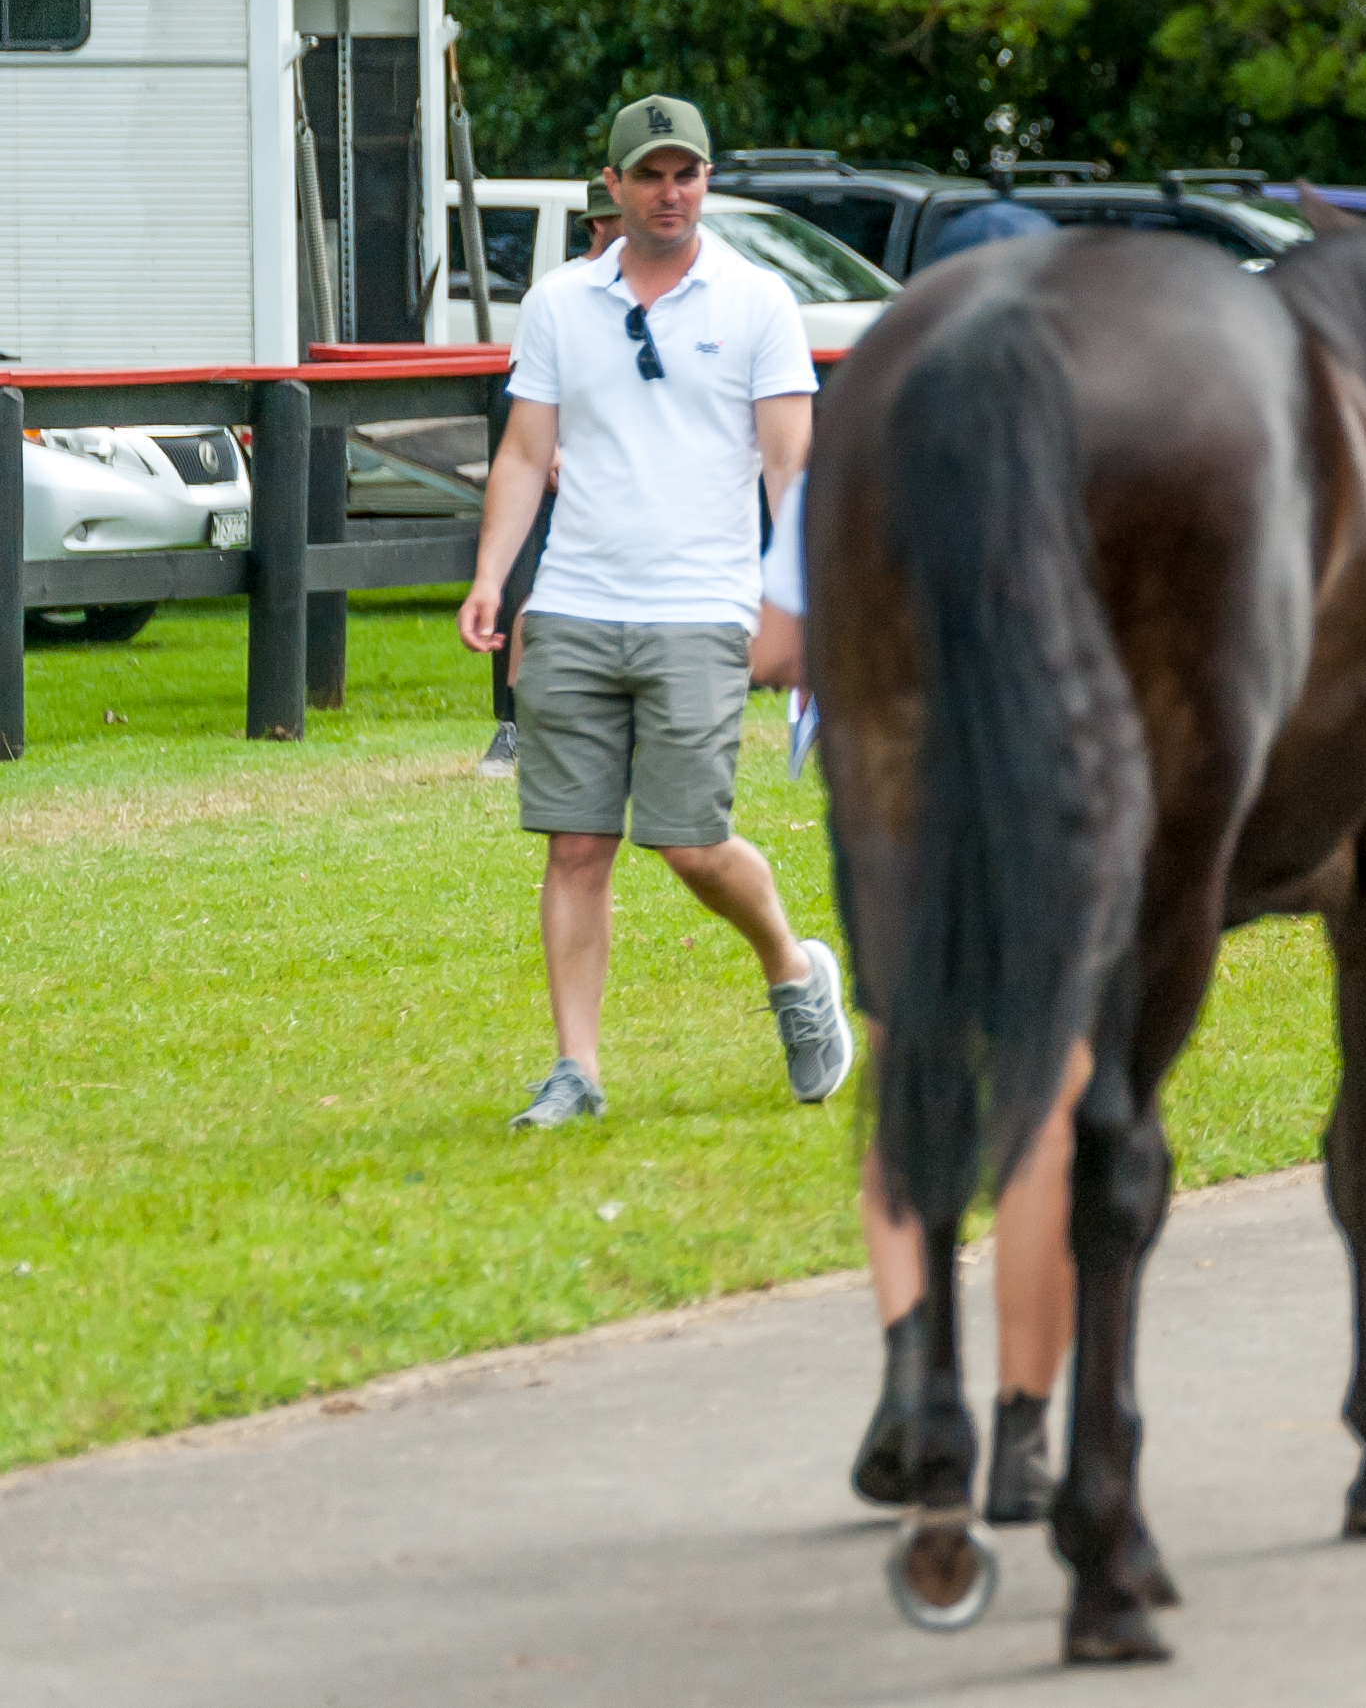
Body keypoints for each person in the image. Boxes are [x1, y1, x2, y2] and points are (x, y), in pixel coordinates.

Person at [748, 214, 1073, 1519]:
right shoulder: (1084, 443)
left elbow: (777, 647)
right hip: (1041, 785)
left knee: (908, 1067)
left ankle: (912, 1376)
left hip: (887, 787)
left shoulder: (861, 437)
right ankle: (1025, 1430)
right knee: (1047, 1096)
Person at [459, 95, 853, 1128]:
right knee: (575, 844)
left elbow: (791, 469)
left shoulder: (758, 302)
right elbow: (526, 454)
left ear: (706, 182)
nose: (670, 193)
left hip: (703, 611)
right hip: (577, 605)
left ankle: (793, 968)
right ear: (614, 186)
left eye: (687, 174)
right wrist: (493, 575)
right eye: (650, 175)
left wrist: (800, 612)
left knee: (687, 843)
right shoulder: (557, 305)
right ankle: (575, 1073)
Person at [479, 178, 629, 780]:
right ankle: (513, 727)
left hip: (618, 476)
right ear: (596, 223)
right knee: (537, 598)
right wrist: (553, 454)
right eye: (618, 217)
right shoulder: (558, 293)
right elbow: (531, 394)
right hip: (556, 468)